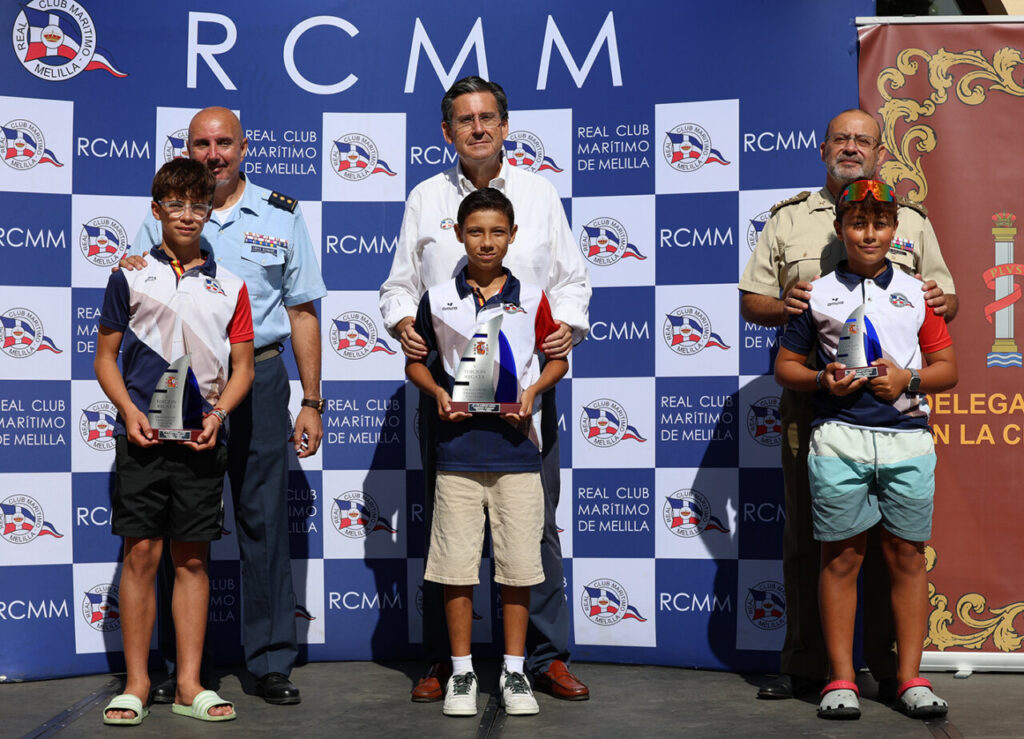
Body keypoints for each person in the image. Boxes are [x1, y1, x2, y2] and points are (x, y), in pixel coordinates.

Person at [380, 76, 591, 702]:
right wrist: (400, 324)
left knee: (536, 526)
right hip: (447, 395)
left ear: (505, 126)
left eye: (489, 118)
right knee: (448, 531)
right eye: (465, 119)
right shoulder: (424, 196)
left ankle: (543, 659)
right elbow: (398, 284)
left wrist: (568, 332)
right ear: (447, 132)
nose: (478, 128)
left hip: (523, 395)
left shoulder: (538, 193)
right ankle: (447, 662)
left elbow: (571, 280)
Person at [739, 109, 957, 701]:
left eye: (863, 140)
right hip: (815, 408)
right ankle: (816, 667)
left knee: (898, 547)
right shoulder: (788, 219)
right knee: (815, 541)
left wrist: (921, 344)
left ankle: (893, 670)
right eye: (842, 139)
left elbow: (944, 301)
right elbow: (752, 302)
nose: (852, 148)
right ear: (822, 147)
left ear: (879, 152)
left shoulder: (910, 219)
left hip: (898, 416)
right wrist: (787, 307)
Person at [127, 107, 326, 705]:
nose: (213, 154)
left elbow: (301, 314)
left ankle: (269, 662)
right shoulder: (158, 217)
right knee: (176, 525)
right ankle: (178, 666)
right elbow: (137, 298)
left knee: (263, 520)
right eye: (200, 144)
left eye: (223, 143)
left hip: (260, 380)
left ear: (244, 146)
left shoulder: (283, 216)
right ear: (187, 149)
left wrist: (311, 400)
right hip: (179, 381)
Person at [96, 159, 254, 725]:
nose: (188, 214)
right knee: (141, 554)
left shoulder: (231, 285)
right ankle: (137, 683)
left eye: (198, 204)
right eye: (176, 204)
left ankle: (189, 684)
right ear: (157, 208)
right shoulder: (130, 273)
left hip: (200, 443)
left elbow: (242, 369)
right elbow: (105, 359)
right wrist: (129, 411)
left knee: (192, 559)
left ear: (211, 210)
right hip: (140, 438)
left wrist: (218, 414)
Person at [406, 187, 569, 717]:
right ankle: (460, 672)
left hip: (518, 452)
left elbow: (556, 361)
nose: (486, 242)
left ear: (513, 236)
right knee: (455, 567)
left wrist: (531, 393)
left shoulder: (536, 296)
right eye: (475, 232)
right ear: (457, 234)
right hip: (455, 451)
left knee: (520, 567)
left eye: (497, 232)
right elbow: (417, 365)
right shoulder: (436, 298)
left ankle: (516, 672)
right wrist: (437, 397)